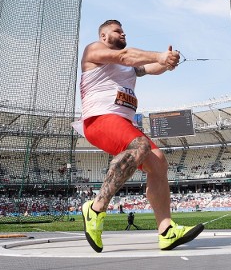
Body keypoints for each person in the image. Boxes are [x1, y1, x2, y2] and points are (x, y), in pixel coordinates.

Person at [76, 20, 204, 253]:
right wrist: (158, 56)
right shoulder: (93, 50)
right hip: (99, 119)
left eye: (123, 29)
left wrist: (167, 62)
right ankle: (95, 209)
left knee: (159, 163)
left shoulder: (128, 66)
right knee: (141, 146)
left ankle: (166, 231)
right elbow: (126, 56)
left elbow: (147, 68)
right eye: (117, 30)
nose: (123, 32)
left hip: (122, 123)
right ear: (104, 36)